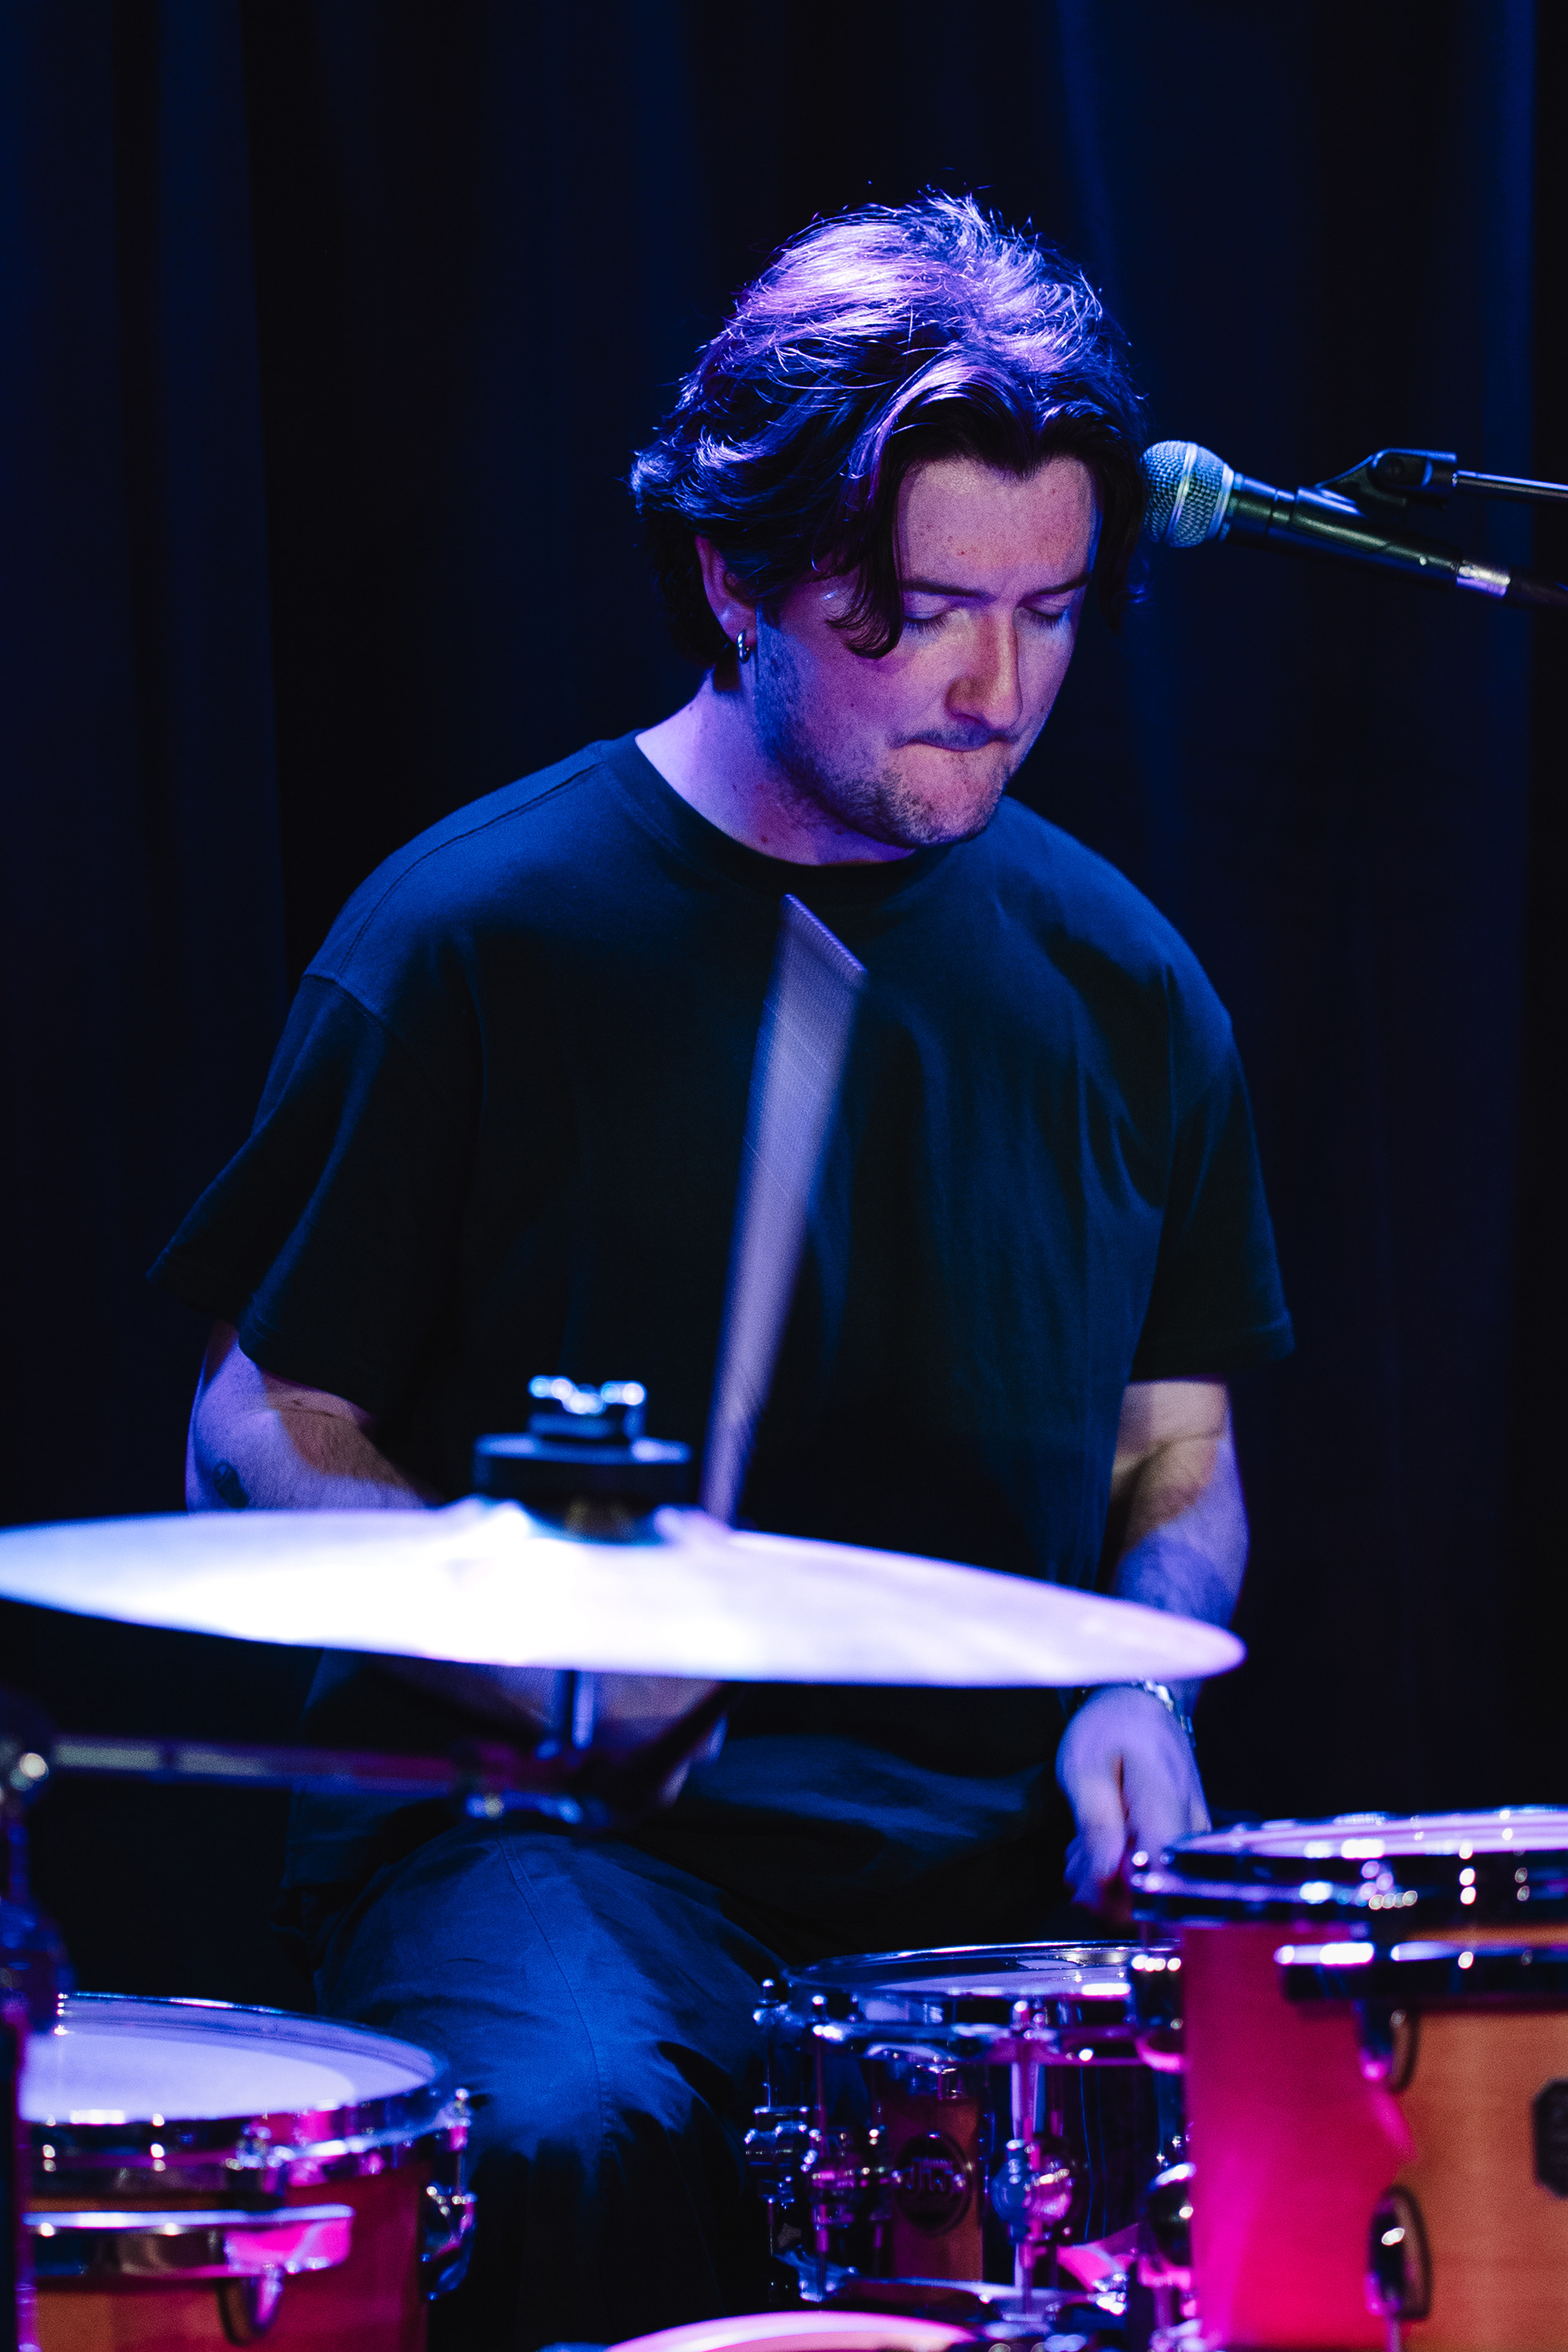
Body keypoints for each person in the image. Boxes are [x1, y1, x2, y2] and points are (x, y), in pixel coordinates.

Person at [152, 194, 1291, 2348]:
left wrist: (1140, 1678)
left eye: (1049, 616)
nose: (995, 692)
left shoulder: (1128, 987)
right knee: (572, 2127)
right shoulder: (473, 939)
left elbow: (1179, 1443)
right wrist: (548, 1664)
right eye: (921, 617)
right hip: (550, 1845)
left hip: (982, 1873)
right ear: (733, 575)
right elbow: (259, 1417)